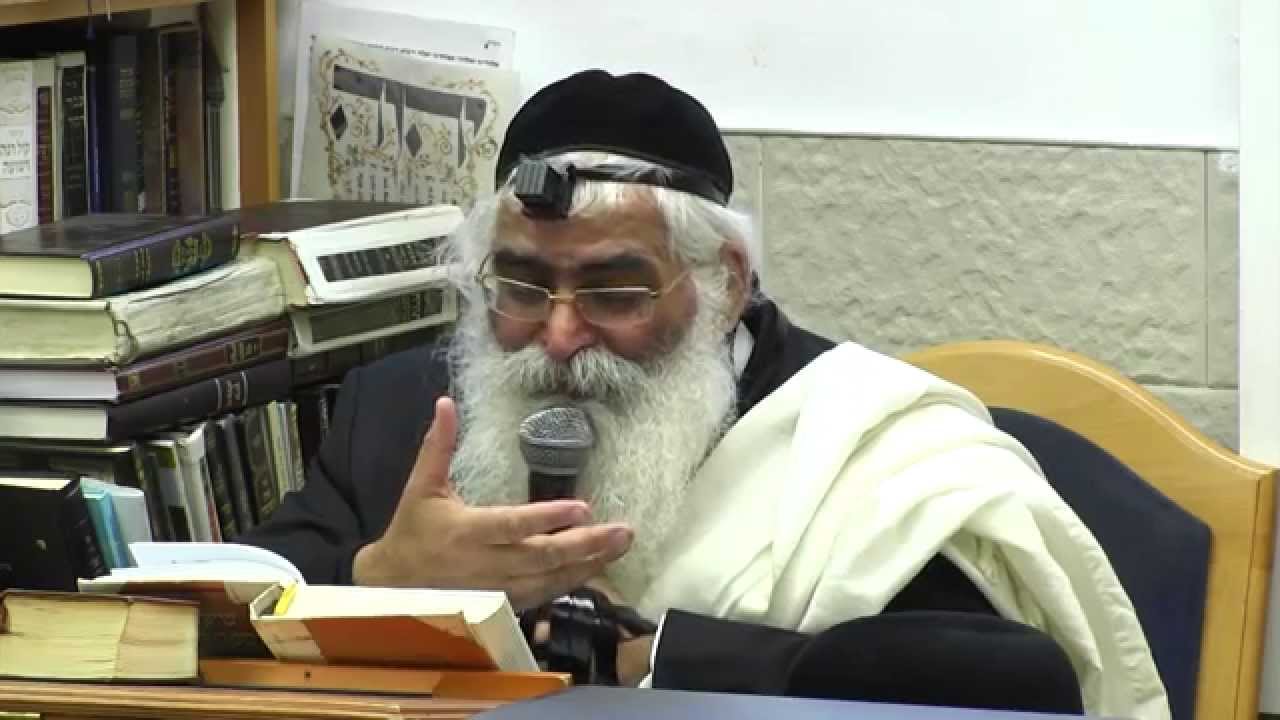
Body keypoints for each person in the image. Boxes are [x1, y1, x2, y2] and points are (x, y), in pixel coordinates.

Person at [243, 70, 1170, 719]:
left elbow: (993, 686)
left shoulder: (870, 454)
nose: (558, 336)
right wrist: (381, 582)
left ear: (724, 282)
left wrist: (648, 655)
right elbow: (212, 618)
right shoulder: (400, 415)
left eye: (614, 291)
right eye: (521, 286)